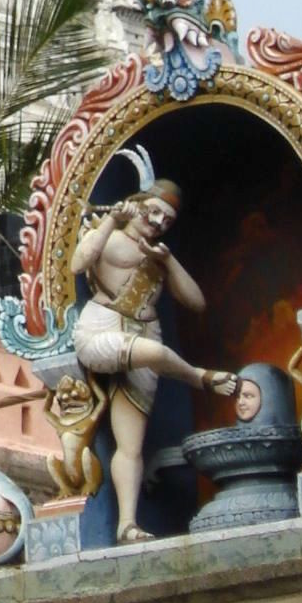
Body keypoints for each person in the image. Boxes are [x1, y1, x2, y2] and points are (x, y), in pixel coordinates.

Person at [71, 179, 238, 543]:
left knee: (130, 445)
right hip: (103, 327)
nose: (160, 220)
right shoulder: (110, 232)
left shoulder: (159, 255)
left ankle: (126, 524)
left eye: (168, 219)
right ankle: (198, 377)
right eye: (155, 211)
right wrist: (111, 221)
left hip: (144, 332)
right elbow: (78, 262)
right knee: (158, 355)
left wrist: (167, 259)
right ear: (139, 203)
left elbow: (196, 302)